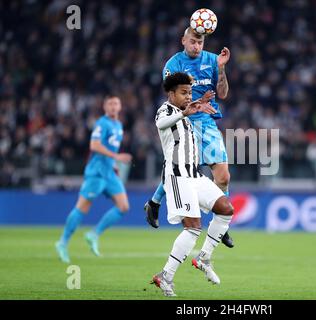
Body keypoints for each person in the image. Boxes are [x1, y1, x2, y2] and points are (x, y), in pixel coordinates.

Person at [144, 27, 235, 248]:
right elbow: (172, 98)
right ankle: (154, 203)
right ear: (183, 40)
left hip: (207, 123)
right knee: (181, 171)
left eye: (200, 42)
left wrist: (221, 69)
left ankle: (219, 225)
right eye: (193, 41)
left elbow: (222, 94)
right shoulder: (172, 65)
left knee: (223, 177)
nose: (196, 46)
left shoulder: (214, 60)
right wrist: (197, 104)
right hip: (183, 122)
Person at [150, 73, 234, 297]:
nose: (188, 97)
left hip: (195, 176)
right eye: (183, 93)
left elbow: (187, 113)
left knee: (226, 209)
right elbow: (161, 123)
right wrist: (184, 112)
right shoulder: (166, 111)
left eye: (189, 92)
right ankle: (165, 276)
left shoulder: (185, 114)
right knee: (193, 227)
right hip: (178, 178)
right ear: (171, 93)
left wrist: (196, 105)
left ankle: (204, 257)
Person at [55, 96, 132, 263]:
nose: (113, 106)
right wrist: (116, 156)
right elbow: (94, 146)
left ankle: (93, 234)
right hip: (96, 173)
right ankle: (62, 243)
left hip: (109, 173)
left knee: (124, 206)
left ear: (120, 107)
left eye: (116, 103)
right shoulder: (101, 123)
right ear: (104, 107)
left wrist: (113, 164)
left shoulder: (118, 125)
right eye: (110, 104)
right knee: (82, 208)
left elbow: (108, 147)